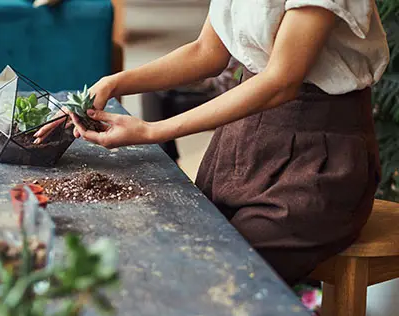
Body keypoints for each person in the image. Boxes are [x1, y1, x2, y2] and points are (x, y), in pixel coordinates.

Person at [36, 1, 389, 285]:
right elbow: (207, 52)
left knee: (213, 274)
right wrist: (113, 83)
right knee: (167, 244)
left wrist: (152, 131)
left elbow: (281, 81)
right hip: (243, 144)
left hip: (318, 163)